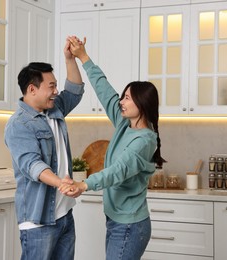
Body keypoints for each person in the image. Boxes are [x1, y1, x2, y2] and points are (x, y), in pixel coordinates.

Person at [60, 37, 166, 260]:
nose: (122, 101)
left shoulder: (144, 141)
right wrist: (83, 57)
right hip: (117, 221)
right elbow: (105, 90)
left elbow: (118, 171)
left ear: (142, 103)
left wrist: (84, 184)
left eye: (127, 98)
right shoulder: (124, 124)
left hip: (130, 226)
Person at [4, 38, 84, 260]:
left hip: (64, 213)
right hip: (39, 220)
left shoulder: (53, 109)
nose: (56, 91)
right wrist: (62, 183)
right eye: (51, 86)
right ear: (32, 89)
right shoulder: (19, 124)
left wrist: (70, 58)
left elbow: (75, 90)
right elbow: (33, 165)